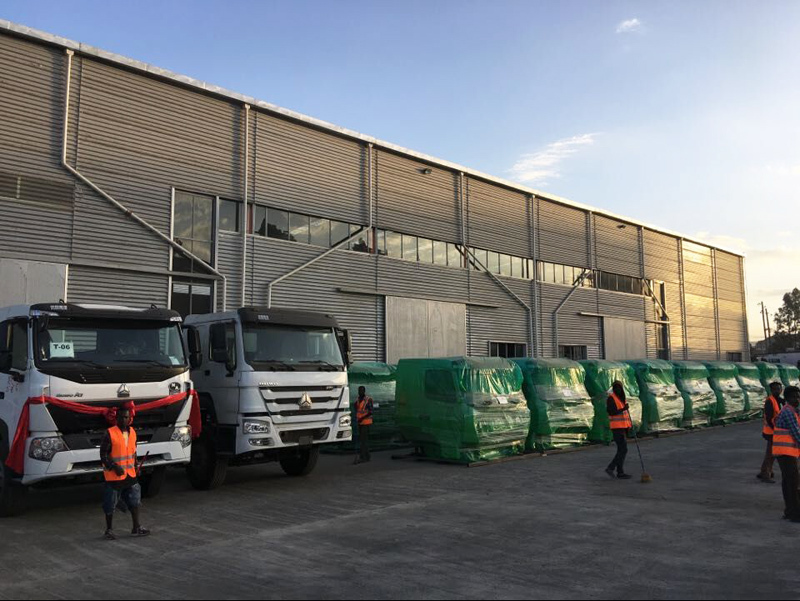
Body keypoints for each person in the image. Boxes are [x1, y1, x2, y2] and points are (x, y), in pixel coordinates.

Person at [100, 402, 150, 539]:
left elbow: (133, 453)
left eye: (126, 417)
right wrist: (114, 467)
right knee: (110, 504)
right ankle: (109, 530)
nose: (123, 420)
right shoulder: (110, 433)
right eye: (121, 417)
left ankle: (136, 527)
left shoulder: (133, 432)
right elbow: (103, 455)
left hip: (130, 475)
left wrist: (136, 466)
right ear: (116, 418)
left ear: (129, 418)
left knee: (135, 501)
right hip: (114, 477)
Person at [773, 386, 800, 523]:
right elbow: (796, 434)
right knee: (794, 483)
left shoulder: (791, 411)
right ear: (788, 398)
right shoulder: (788, 412)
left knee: (788, 482)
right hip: (785, 452)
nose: (797, 399)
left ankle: (789, 511)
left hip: (786, 452)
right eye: (794, 397)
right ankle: (795, 513)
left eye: (798, 397)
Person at [605, 380, 633, 480]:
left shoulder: (621, 398)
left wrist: (629, 426)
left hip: (622, 428)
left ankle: (619, 472)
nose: (618, 389)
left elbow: (624, 416)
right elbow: (611, 412)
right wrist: (623, 409)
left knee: (622, 450)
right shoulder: (611, 398)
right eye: (616, 387)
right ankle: (612, 468)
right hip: (617, 428)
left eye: (619, 387)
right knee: (623, 450)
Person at [758, 382, 784, 483]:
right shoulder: (770, 401)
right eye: (775, 389)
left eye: (779, 389)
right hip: (771, 432)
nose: (777, 391)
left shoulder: (779, 400)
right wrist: (776, 429)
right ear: (771, 390)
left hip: (773, 431)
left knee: (771, 453)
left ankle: (764, 471)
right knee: (771, 454)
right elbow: (769, 418)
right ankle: (766, 474)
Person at [354, 386, 373, 465]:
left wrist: (362, 418)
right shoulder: (358, 400)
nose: (360, 392)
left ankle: (363, 457)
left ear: (364, 391)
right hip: (360, 422)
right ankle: (367, 456)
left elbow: (370, 411)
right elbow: (357, 408)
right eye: (359, 390)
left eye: (361, 390)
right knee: (362, 440)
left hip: (366, 422)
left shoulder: (368, 400)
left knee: (363, 441)